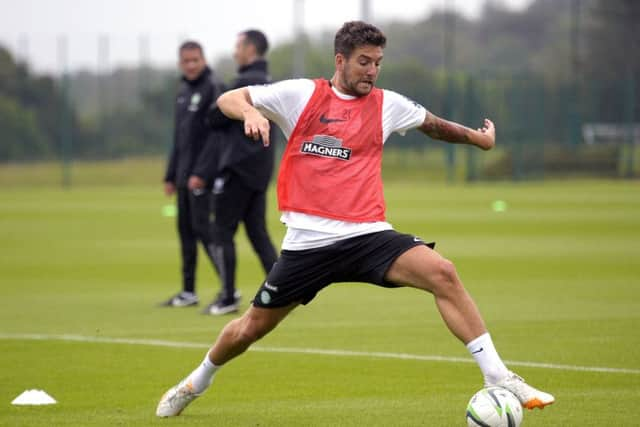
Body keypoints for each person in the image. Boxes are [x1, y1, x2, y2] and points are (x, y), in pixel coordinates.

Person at [156, 21, 554, 417]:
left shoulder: (388, 104)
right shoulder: (300, 94)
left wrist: (477, 138)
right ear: (340, 59)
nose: (371, 71)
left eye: (378, 62)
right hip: (309, 244)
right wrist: (249, 113)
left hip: (368, 236)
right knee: (250, 329)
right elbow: (229, 97)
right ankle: (197, 381)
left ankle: (497, 376)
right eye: (364, 61)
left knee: (443, 272)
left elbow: (434, 126)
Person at [200, 30, 279, 315]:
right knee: (258, 233)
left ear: (250, 48)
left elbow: (213, 116)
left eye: (238, 45)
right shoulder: (272, 84)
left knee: (221, 231)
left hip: (236, 168)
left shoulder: (244, 85)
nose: (235, 52)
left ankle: (227, 296)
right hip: (261, 169)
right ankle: (285, 291)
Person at [161, 41, 226, 307]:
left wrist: (201, 172)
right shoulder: (183, 91)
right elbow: (180, 138)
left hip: (203, 177)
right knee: (185, 231)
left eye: (194, 60)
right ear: (180, 63)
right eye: (185, 61)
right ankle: (188, 291)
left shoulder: (213, 88)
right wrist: (171, 175)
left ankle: (228, 286)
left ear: (203, 60)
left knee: (205, 231)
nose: (190, 65)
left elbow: (216, 138)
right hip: (183, 177)